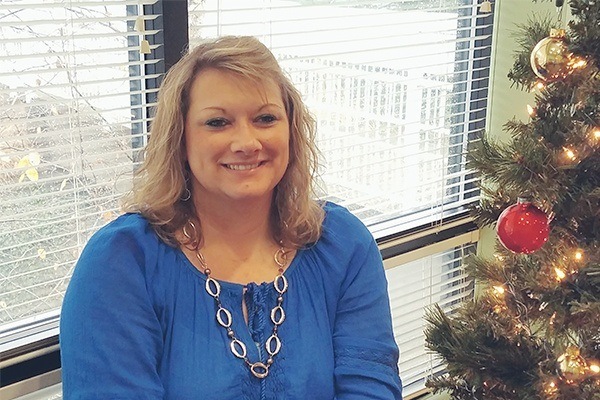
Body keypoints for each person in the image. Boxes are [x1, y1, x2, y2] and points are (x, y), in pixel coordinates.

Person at [60, 35, 402, 399]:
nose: (246, 142)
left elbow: (371, 388)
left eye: (265, 118)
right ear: (181, 137)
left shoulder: (343, 245)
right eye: (218, 122)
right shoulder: (122, 263)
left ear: (290, 130)